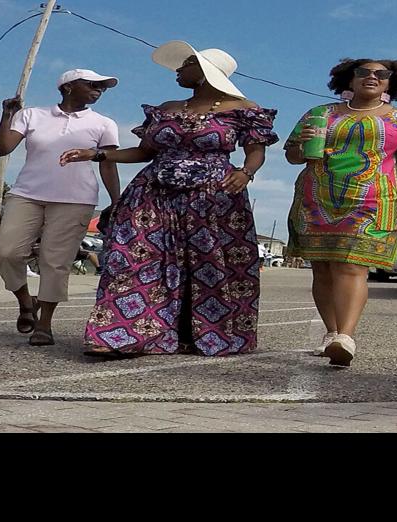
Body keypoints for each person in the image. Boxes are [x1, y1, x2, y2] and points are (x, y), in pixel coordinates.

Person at [68, 42, 275, 357]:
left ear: (204, 71)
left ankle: (203, 335)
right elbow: (145, 152)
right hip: (153, 193)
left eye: (185, 64)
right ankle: (122, 336)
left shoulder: (242, 109)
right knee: (136, 259)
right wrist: (97, 154)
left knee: (210, 267)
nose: (178, 70)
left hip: (214, 197)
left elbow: (256, 150)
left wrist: (246, 172)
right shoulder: (166, 108)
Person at [285, 57, 397, 366]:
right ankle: (332, 333)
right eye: (363, 72)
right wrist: (301, 147)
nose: (372, 77)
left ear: (390, 83)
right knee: (323, 268)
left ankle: (346, 336)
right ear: (348, 80)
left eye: (381, 74)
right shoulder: (318, 114)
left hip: (373, 201)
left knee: (352, 267)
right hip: (317, 199)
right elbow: (292, 156)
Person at [0, 68, 122, 346]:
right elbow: (3, 149)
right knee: (7, 252)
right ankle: (26, 302)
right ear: (68, 86)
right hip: (27, 194)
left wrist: (116, 200)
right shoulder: (32, 115)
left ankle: (44, 324)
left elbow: (107, 162)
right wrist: (7, 115)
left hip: (76, 199)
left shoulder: (103, 123)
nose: (98, 90)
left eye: (103, 88)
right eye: (92, 85)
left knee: (55, 261)